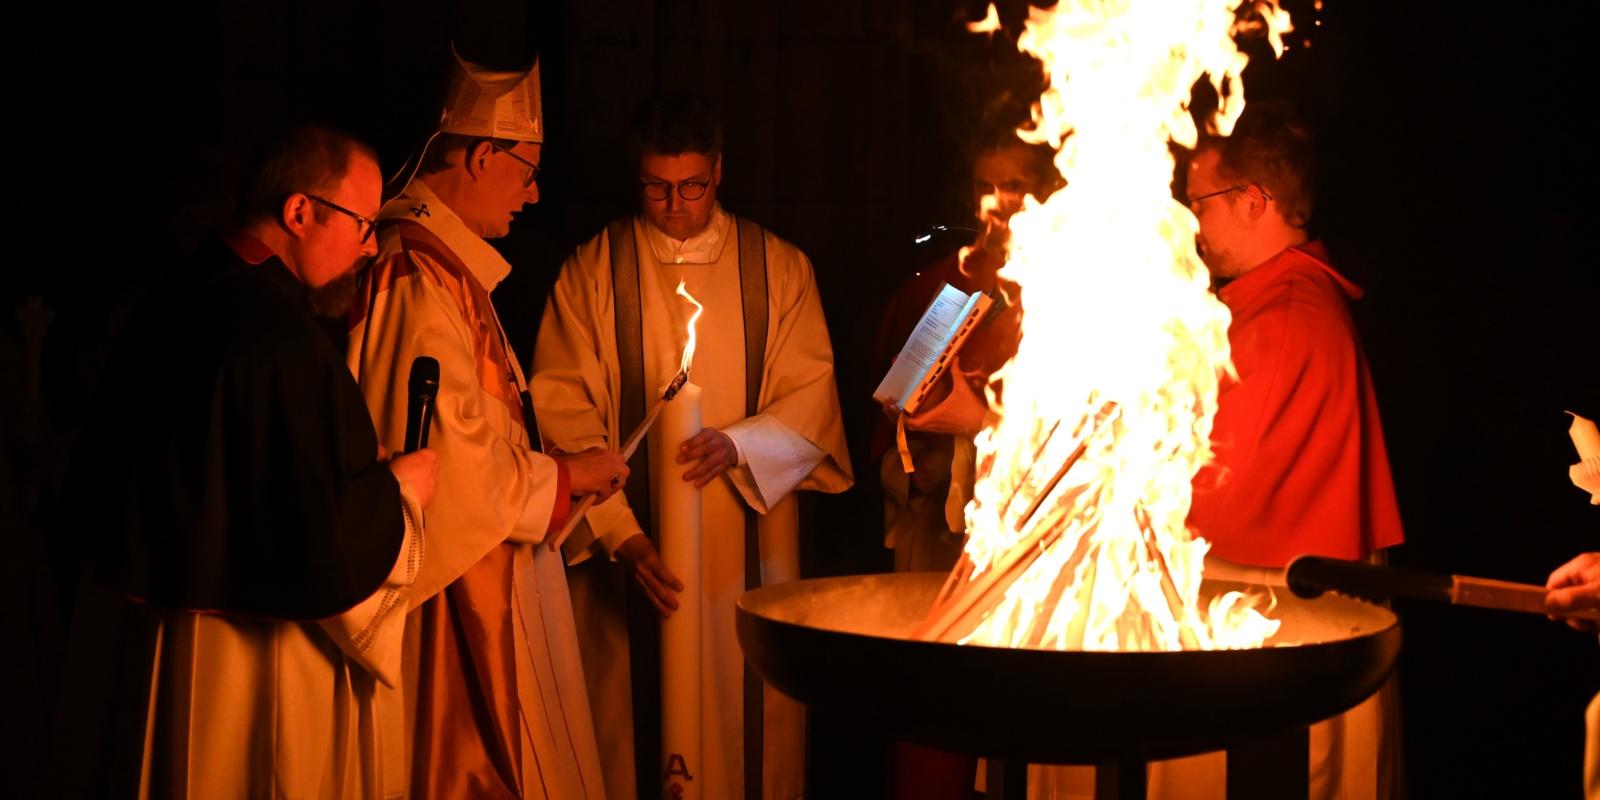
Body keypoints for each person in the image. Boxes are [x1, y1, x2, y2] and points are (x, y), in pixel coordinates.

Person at [54, 123, 439, 798]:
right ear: (299, 212)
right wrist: (399, 491)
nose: (372, 247)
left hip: (144, 646)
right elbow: (326, 546)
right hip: (249, 660)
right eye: (364, 224)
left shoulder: (173, 296)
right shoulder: (279, 341)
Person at [532, 93, 853, 800]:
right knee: (628, 731)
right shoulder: (591, 273)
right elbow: (562, 412)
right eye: (656, 186)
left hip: (746, 548)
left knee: (744, 730)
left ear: (719, 172)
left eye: (692, 186)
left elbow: (811, 401)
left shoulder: (780, 270)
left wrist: (739, 447)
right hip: (631, 550)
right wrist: (622, 536)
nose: (674, 204)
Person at [347, 48, 626, 799]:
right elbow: (446, 462)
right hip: (452, 609)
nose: (534, 196)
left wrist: (559, 480)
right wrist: (564, 477)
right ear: (477, 158)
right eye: (527, 171)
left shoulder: (448, 269)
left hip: (489, 573)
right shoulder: (413, 274)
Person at [1166, 102, 1406, 799]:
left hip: (1284, 628)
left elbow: (1218, 493)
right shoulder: (1263, 304)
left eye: (1200, 204)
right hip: (1269, 613)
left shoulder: (1289, 319)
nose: (1192, 226)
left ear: (1252, 201)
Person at [871, 130, 1057, 574]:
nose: (997, 202)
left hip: (1034, 534)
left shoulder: (1064, 289)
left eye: (1014, 186)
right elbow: (890, 425)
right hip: (938, 541)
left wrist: (962, 455)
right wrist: (915, 464)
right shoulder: (934, 289)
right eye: (983, 186)